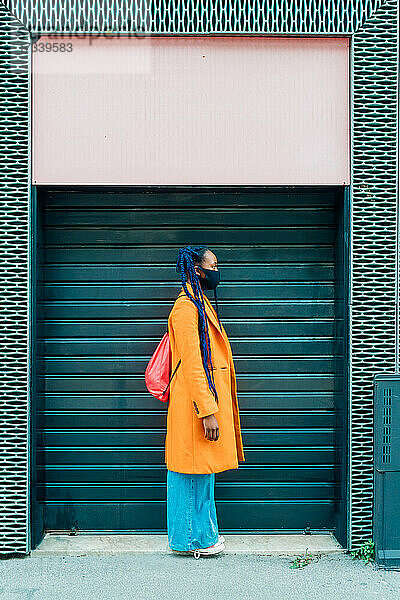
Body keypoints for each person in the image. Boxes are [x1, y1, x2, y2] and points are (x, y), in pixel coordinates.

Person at [165, 245, 245, 557]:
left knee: (201, 470)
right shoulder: (186, 309)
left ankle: (199, 536)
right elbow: (192, 363)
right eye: (214, 264)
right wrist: (207, 410)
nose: (217, 270)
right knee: (191, 472)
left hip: (198, 405)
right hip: (196, 407)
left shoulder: (197, 304)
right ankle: (192, 541)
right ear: (198, 270)